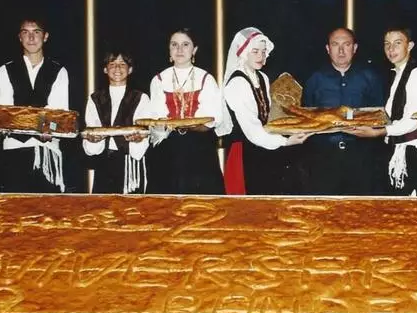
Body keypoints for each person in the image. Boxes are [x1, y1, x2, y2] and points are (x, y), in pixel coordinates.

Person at [219, 27, 309, 195]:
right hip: (244, 153)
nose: (260, 56)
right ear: (243, 52)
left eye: (263, 51)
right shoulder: (237, 84)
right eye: (255, 51)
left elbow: (267, 117)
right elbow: (252, 130)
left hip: (265, 148)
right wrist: (285, 141)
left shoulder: (262, 78)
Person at [345, 27, 417, 195]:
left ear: (410, 46)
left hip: (411, 151)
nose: (391, 49)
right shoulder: (394, 75)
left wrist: (379, 132)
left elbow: (412, 121)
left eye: (397, 43)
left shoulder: (416, 75)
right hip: (393, 150)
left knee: (415, 207)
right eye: (387, 44)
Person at [301, 27, 384, 195]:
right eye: (335, 45)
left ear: (355, 48)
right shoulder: (315, 79)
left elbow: (379, 116)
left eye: (346, 44)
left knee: (361, 207)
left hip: (362, 158)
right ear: (327, 48)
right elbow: (307, 118)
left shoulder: (370, 77)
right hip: (323, 159)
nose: (341, 51)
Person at [145, 28, 224, 194]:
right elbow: (157, 118)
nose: (179, 49)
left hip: (199, 148)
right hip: (168, 149)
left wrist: (186, 126)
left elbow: (212, 119)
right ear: (169, 49)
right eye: (174, 45)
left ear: (194, 50)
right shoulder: (159, 80)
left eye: (185, 44)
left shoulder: (206, 79)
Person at [0, 18, 69, 193]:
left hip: (48, 149)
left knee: (47, 206)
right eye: (25, 32)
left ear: (45, 36)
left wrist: (47, 128)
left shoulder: (59, 70)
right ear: (19, 37)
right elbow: (6, 111)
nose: (31, 37)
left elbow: (58, 111)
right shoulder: (5, 70)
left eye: (36, 32)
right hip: (14, 147)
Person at [82, 50, 149, 194]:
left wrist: (137, 140)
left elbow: (141, 142)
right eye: (112, 64)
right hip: (104, 163)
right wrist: (93, 140)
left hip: (130, 165)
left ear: (130, 70)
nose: (117, 68)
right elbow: (92, 141)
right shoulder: (95, 98)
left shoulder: (141, 98)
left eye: (122, 64)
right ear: (105, 69)